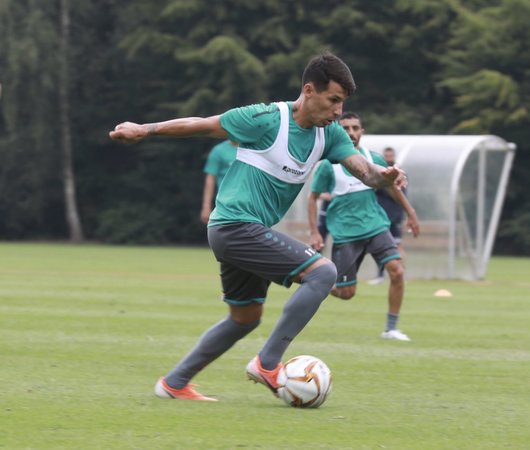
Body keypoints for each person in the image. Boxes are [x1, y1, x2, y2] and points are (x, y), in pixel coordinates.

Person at [109, 52, 403, 402]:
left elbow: (366, 173)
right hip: (234, 226)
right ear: (309, 91)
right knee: (323, 273)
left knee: (244, 318)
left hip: (245, 233)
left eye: (343, 104)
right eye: (334, 100)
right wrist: (145, 129)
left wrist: (384, 177)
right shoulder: (265, 119)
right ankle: (268, 364)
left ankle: (173, 384)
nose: (339, 112)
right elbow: (201, 124)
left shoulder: (331, 137)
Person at [307, 111, 420, 341]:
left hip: (376, 226)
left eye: (355, 128)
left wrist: (411, 212)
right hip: (345, 232)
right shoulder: (329, 165)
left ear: (362, 132)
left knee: (397, 272)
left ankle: (391, 329)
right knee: (346, 293)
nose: (351, 133)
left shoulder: (374, 159)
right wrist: (314, 231)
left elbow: (391, 188)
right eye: (345, 128)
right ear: (338, 131)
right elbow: (312, 197)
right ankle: (317, 281)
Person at [368, 147, 407, 285]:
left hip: (394, 216)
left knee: (397, 246)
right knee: (381, 247)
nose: (388, 157)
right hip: (381, 216)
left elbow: (401, 194)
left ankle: (401, 274)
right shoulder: (379, 171)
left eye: (390, 155)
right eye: (386, 155)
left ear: (394, 156)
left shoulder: (398, 173)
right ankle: (380, 275)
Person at [200, 140, 237, 224]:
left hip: (250, 203)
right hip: (226, 204)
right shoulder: (219, 150)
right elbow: (210, 179)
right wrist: (206, 206)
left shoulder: (253, 149)